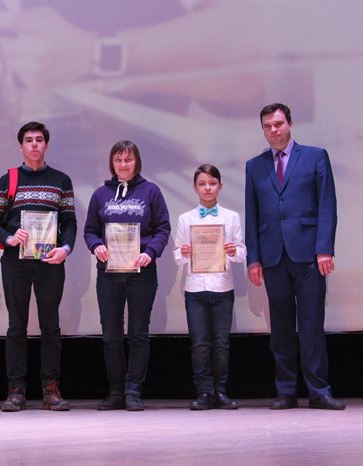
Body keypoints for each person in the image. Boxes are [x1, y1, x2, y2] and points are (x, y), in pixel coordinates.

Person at [245, 103, 344, 410]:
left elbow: (327, 205)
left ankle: (319, 391)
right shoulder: (254, 166)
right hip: (273, 257)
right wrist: (253, 258)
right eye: (267, 126)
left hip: (310, 255)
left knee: (312, 325)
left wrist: (324, 248)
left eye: (278, 124)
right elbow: (252, 214)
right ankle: (286, 391)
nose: (273, 130)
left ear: (290, 124)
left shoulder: (315, 156)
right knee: (281, 329)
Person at [0, 121, 77, 412]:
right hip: (16, 262)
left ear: (46, 145)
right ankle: (16, 391)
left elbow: (70, 222)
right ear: (21, 146)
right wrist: (10, 238)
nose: (34, 144)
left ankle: (51, 391)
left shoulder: (61, 180)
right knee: (16, 326)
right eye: (29, 140)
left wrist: (65, 249)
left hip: (50, 262)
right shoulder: (8, 180)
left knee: (51, 326)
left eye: (39, 139)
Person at [84, 140, 170, 411]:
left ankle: (133, 391)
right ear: (112, 163)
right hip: (109, 274)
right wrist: (96, 246)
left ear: (137, 162)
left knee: (138, 334)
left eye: (128, 159)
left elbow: (163, 228)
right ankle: (115, 391)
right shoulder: (100, 194)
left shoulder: (151, 191)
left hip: (141, 272)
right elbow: (90, 230)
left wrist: (151, 252)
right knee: (111, 335)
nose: (123, 164)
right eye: (118, 160)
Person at [173, 164, 245, 410]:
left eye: (212, 183)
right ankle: (204, 392)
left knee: (222, 343)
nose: (207, 188)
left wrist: (233, 251)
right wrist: (184, 253)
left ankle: (220, 391)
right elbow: (176, 256)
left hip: (223, 288)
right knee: (200, 344)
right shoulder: (186, 219)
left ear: (220, 186)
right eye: (202, 184)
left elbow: (241, 253)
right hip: (195, 289)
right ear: (195, 188)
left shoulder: (231, 217)